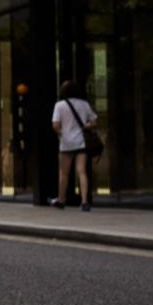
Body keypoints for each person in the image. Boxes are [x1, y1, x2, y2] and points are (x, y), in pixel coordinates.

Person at [50, 81, 98, 212]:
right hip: (81, 142)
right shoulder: (84, 104)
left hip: (66, 143)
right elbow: (94, 122)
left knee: (64, 173)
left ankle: (61, 199)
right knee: (81, 172)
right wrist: (85, 126)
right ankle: (84, 201)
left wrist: (61, 133)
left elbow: (55, 125)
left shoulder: (59, 105)